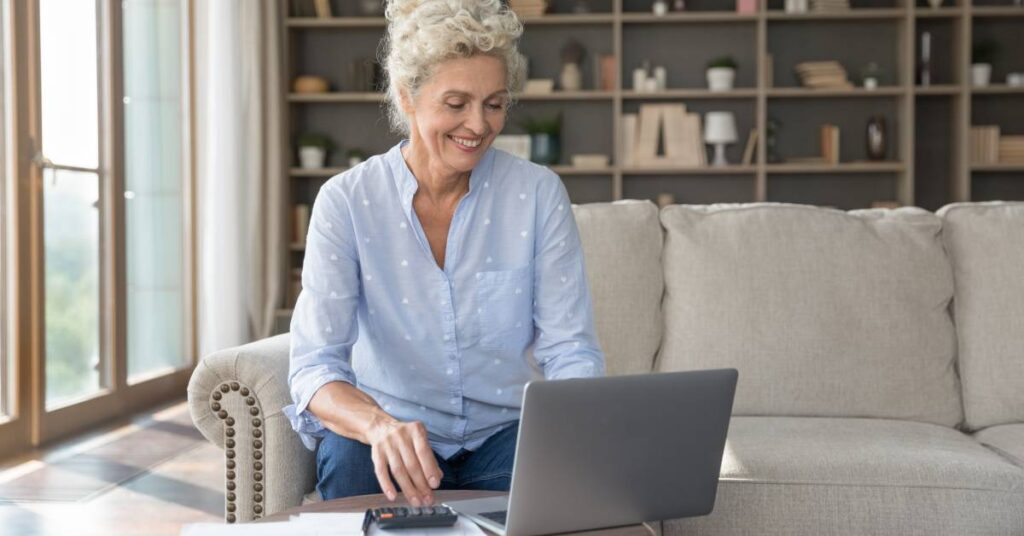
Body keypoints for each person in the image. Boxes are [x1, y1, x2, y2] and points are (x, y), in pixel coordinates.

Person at [284, 0, 604, 508]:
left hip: (504, 435)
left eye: (495, 103)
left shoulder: (537, 194)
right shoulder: (347, 201)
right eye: (456, 104)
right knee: (348, 466)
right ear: (406, 96)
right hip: (390, 430)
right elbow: (314, 366)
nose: (478, 125)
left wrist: (577, 437)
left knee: (566, 489)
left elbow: (570, 350)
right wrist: (378, 425)